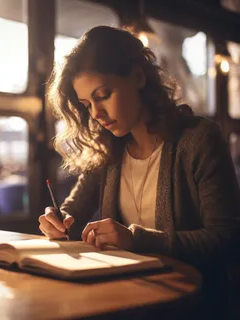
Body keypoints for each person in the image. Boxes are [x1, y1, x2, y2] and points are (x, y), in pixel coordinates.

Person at [38, 26, 240, 279]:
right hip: (123, 291)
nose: (95, 114)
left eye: (103, 95)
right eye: (86, 104)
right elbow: (72, 213)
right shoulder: (108, 150)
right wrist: (57, 220)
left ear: (138, 77)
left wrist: (136, 239)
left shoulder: (198, 140)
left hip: (190, 299)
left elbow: (226, 239)